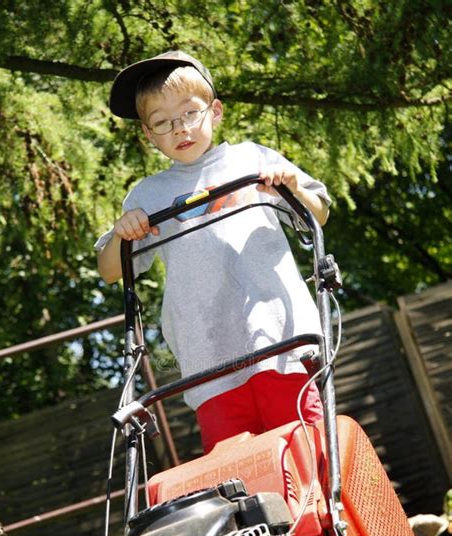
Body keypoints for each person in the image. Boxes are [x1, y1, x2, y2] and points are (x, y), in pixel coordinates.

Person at [96, 50, 331, 454]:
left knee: (308, 452)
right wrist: (122, 233)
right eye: (162, 123)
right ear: (148, 136)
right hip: (207, 361)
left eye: (190, 114)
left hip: (282, 345)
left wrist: (289, 186)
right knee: (238, 471)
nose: (180, 129)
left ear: (215, 110)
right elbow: (111, 271)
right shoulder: (147, 195)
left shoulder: (252, 159)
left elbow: (319, 214)